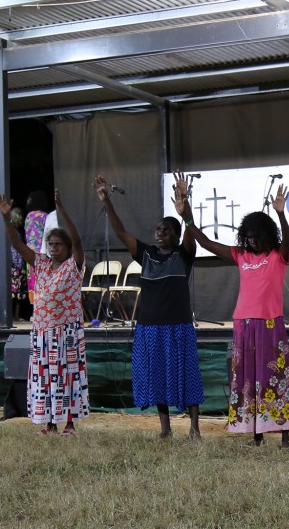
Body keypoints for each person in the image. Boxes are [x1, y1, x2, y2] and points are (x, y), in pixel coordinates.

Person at [187, 183, 289, 448]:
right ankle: (257, 436)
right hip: (243, 324)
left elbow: (288, 242)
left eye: (256, 237)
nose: (251, 241)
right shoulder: (240, 255)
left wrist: (281, 214)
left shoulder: (277, 255)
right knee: (248, 377)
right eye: (247, 237)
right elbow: (206, 243)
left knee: (276, 377)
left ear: (267, 235)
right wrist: (187, 217)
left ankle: (284, 436)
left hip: (270, 322)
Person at [94, 172, 204, 439]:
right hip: (150, 327)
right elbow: (120, 232)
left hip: (178, 326)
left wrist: (185, 209)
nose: (160, 233)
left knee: (187, 376)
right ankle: (165, 429)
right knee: (157, 377)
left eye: (167, 230)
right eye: (158, 229)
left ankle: (194, 429)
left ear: (176, 236)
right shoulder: (146, 254)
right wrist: (106, 200)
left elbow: (192, 235)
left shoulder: (184, 254)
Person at [0, 190, 89, 435]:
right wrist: (7, 219)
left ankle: (69, 423)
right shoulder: (42, 263)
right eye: (50, 245)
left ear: (67, 248)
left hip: (67, 330)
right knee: (47, 378)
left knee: (68, 377)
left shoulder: (74, 264)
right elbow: (17, 244)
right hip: (43, 331)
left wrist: (63, 211)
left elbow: (78, 242)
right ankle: (50, 424)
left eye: (58, 245)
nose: (53, 248)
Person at [24, 191, 49, 305]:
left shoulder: (28, 217)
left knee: (32, 280)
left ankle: (34, 308)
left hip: (29, 251)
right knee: (43, 279)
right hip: (42, 251)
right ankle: (43, 306)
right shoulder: (45, 216)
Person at [8, 207, 28, 322]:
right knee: (15, 292)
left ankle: (16, 315)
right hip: (15, 264)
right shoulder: (13, 232)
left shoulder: (16, 231)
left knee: (18, 292)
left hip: (17, 264)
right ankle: (13, 315)